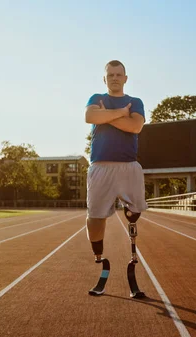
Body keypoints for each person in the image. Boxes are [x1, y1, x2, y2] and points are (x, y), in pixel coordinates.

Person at [84, 60, 148, 261]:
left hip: (128, 165)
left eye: (118, 75)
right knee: (95, 217)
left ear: (125, 78)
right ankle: (98, 255)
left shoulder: (136, 101)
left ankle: (129, 210)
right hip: (100, 165)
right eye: (110, 75)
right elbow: (90, 116)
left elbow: (135, 126)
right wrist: (122, 114)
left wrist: (106, 116)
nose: (115, 78)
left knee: (136, 210)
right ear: (105, 79)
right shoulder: (96, 97)